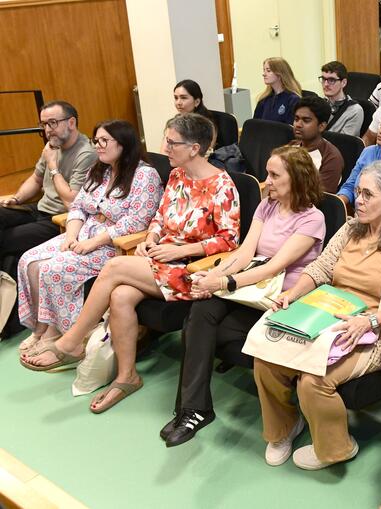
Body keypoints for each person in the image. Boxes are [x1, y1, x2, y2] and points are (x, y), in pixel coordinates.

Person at [21, 114, 241, 416]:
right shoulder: (178, 176)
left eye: (172, 142)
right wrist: (150, 238)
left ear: (194, 148)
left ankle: (71, 342)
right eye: (166, 139)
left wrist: (180, 252)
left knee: (113, 269)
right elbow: (160, 217)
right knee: (120, 295)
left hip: (195, 270)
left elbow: (229, 241)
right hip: (161, 260)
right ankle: (127, 377)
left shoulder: (221, 185)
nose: (165, 147)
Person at [258, 162, 381, 470]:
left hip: (371, 330)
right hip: (326, 315)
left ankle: (337, 448)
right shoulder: (351, 229)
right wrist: (292, 294)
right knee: (266, 358)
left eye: (368, 194)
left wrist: (371, 320)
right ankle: (284, 428)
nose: (358, 200)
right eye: (359, 192)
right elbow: (321, 269)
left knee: (313, 381)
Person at [163, 145, 326, 447]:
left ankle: (191, 407)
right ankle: (193, 410)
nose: (267, 181)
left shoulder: (311, 219)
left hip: (279, 297)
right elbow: (245, 252)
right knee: (199, 312)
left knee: (201, 328)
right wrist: (215, 276)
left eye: (275, 175)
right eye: (267, 174)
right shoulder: (267, 206)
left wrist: (225, 282)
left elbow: (276, 267)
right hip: (248, 290)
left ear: (297, 179)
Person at [16, 120, 162, 356]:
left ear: (123, 144)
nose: (98, 146)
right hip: (84, 232)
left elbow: (137, 221)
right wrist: (71, 236)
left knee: (54, 268)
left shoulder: (145, 175)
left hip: (112, 244)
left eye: (104, 141)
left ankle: (64, 334)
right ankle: (41, 329)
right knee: (28, 261)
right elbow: (78, 207)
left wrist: (92, 243)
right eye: (96, 141)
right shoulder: (101, 169)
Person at [0, 101, 97, 293]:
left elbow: (72, 202)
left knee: (7, 240)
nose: (47, 130)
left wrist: (53, 166)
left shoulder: (86, 153)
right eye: (43, 124)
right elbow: (36, 179)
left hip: (60, 219)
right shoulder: (53, 146)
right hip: (39, 208)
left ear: (71, 122)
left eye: (52, 123)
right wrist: (17, 199)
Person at [290, 97, 344, 193]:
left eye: (306, 120)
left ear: (321, 126)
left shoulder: (331, 157)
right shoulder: (292, 146)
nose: (298, 124)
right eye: (296, 119)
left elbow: (320, 198)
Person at [319, 61, 365, 137]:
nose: (326, 84)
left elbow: (343, 143)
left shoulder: (355, 110)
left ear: (343, 83)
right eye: (323, 79)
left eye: (331, 80)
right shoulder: (320, 104)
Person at [253, 57, 303, 125]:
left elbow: (292, 128)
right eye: (264, 70)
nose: (264, 74)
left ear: (279, 73)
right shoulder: (264, 100)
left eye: (268, 70)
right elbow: (255, 126)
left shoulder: (293, 100)